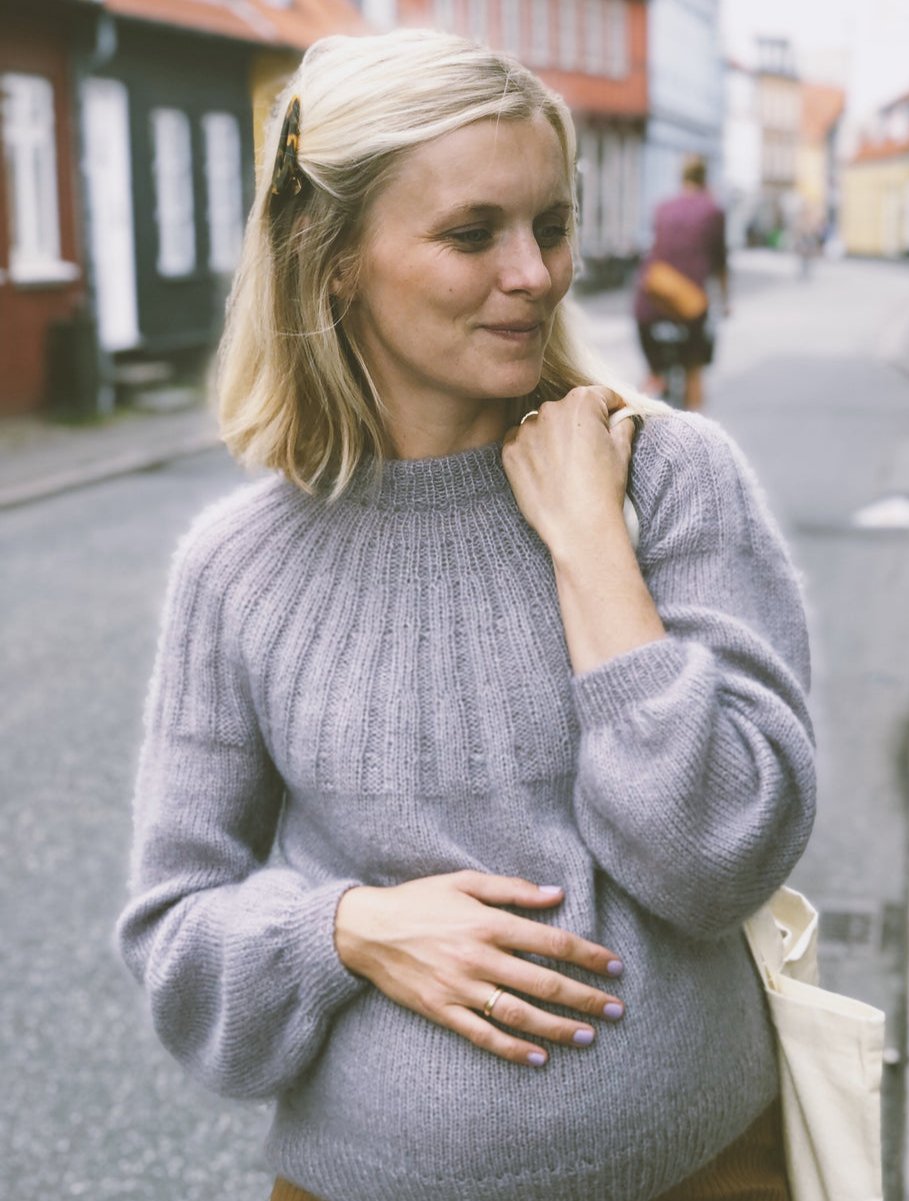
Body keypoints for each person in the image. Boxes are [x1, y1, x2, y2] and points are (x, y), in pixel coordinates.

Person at [116, 29, 815, 1201]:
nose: (535, 273)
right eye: (470, 233)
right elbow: (177, 936)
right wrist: (345, 928)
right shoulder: (235, 570)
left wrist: (591, 542)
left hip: (703, 1170)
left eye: (549, 223)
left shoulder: (668, 477)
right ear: (333, 258)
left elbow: (722, 858)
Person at [634, 154, 730, 411]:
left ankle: (655, 375)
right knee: (695, 360)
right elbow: (720, 261)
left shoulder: (663, 207)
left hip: (651, 297)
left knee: (644, 324)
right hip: (689, 303)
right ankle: (694, 408)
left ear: (681, 177)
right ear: (705, 178)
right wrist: (726, 300)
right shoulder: (713, 210)